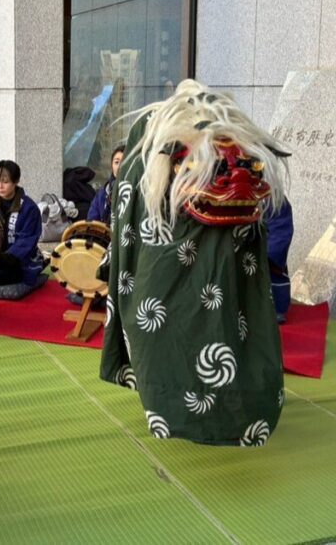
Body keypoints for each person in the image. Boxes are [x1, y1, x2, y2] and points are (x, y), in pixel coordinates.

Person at [99, 80, 290, 446]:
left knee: (231, 330)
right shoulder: (148, 162)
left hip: (228, 256)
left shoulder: (233, 155)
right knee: (161, 330)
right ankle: (171, 408)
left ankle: (232, 412)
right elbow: (130, 218)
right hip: (165, 251)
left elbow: (266, 219)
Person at [0, 160, 47, 298]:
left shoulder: (29, 208)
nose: (0, 186)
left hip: (19, 259)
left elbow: (27, 239)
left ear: (16, 181)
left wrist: (5, 259)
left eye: (5, 182)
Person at [264, 199, 294, 324]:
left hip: (264, 256)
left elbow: (281, 234)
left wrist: (264, 254)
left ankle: (273, 310)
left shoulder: (276, 201)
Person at [87, 145, 125, 225]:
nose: (119, 166)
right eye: (116, 162)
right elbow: (92, 222)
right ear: (112, 166)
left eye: (124, 162)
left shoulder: (138, 192)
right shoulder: (103, 193)